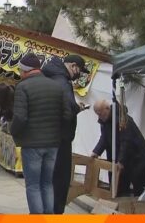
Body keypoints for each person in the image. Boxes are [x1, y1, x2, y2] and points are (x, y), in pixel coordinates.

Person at [11, 53, 73, 214]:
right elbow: (67, 115)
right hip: (53, 144)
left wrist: (13, 131)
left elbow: (19, 117)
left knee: (33, 185)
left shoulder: (22, 87)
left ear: (25, 71)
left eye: (20, 70)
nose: (19, 73)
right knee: (47, 183)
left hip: (32, 145)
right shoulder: (57, 86)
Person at [41, 54, 90, 214]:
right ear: (73, 66)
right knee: (60, 178)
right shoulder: (63, 82)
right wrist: (77, 109)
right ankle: (55, 212)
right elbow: (67, 111)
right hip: (60, 138)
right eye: (80, 71)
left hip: (47, 135)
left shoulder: (49, 76)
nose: (78, 74)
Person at [91, 100, 145, 197]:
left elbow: (126, 141)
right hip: (123, 158)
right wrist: (96, 152)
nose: (100, 117)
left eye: (101, 113)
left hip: (137, 157)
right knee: (119, 188)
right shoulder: (105, 122)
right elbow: (104, 138)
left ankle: (144, 208)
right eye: (98, 114)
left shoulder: (122, 119)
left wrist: (121, 161)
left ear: (107, 108)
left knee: (140, 188)